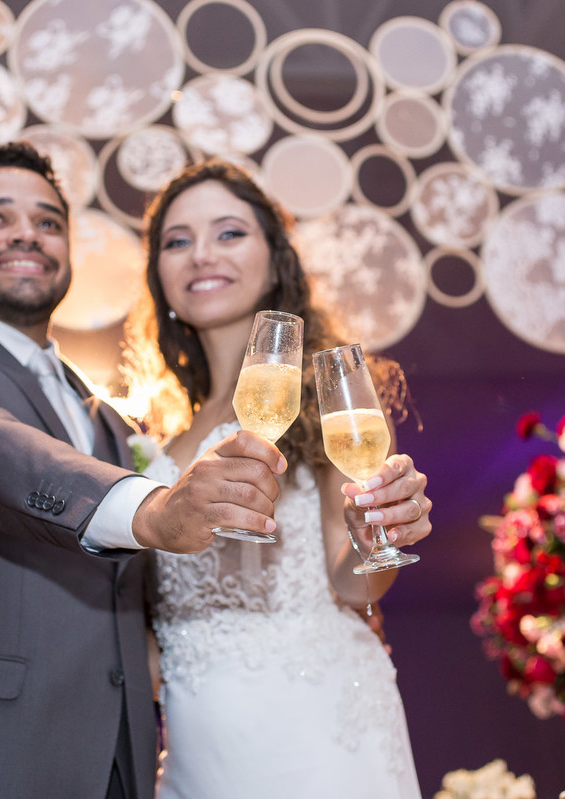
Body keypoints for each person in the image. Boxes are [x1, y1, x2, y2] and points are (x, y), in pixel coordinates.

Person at [0, 142, 288, 799]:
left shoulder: (114, 423)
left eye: (47, 222)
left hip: (117, 769)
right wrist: (150, 509)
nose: (26, 234)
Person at [122, 160, 430, 798]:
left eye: (229, 232)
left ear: (275, 259)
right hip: (198, 746)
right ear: (159, 275)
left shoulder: (327, 399)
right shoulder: (154, 443)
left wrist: (373, 537)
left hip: (317, 729)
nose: (202, 254)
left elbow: (356, 586)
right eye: (177, 241)